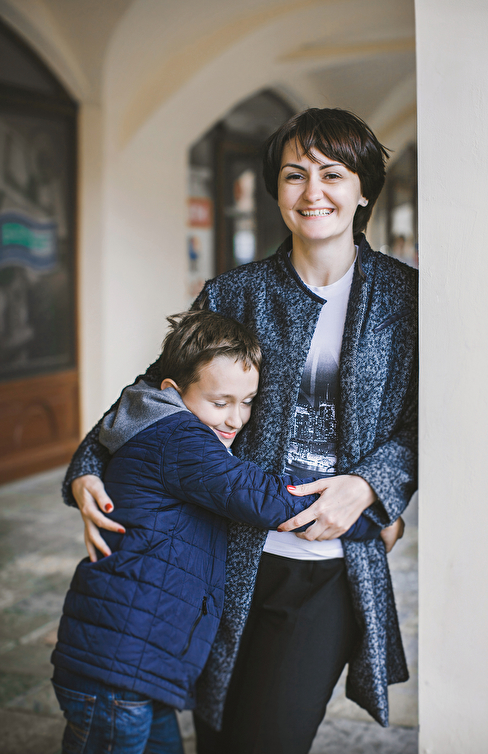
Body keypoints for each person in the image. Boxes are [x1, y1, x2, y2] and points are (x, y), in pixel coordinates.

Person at [63, 107, 417, 754]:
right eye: (294, 175)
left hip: (328, 567)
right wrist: (88, 469)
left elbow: (427, 424)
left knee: (268, 738)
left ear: (364, 189)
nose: (312, 192)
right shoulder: (235, 293)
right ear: (275, 190)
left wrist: (371, 487)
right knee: (218, 734)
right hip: (222, 557)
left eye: (332, 174)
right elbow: (152, 395)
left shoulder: (406, 300)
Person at [52, 310, 392, 754]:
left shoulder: (152, 418)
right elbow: (264, 497)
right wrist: (370, 518)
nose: (236, 419)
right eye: (220, 402)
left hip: (136, 665)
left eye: (248, 401)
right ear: (173, 391)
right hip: (115, 667)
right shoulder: (178, 437)